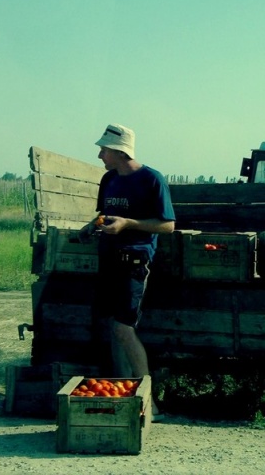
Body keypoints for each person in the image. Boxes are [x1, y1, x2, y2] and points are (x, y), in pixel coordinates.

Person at [79, 123, 176, 421]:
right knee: (112, 326)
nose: (100, 154)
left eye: (104, 150)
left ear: (119, 151)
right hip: (107, 259)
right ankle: (123, 392)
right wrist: (92, 226)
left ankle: (149, 400)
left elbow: (167, 225)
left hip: (133, 261)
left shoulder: (151, 180)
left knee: (123, 327)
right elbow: (104, 214)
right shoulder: (109, 179)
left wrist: (127, 224)